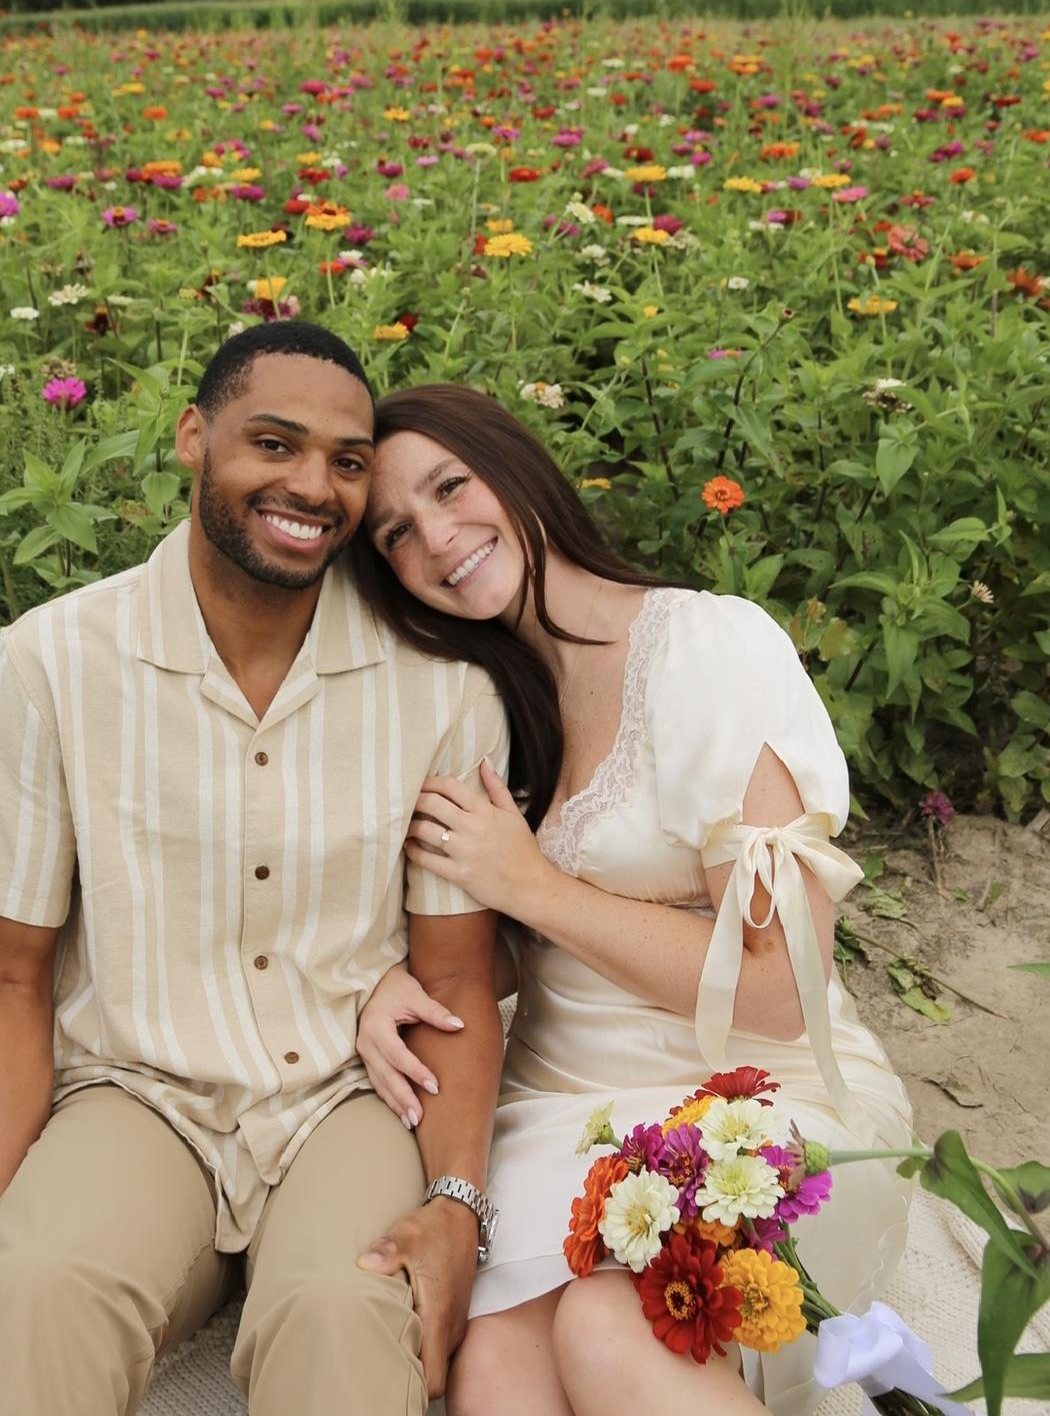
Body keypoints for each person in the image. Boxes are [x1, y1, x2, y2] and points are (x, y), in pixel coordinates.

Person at [0, 325, 513, 1416]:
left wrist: (455, 1204)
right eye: (272, 444)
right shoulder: (48, 663)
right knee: (41, 1292)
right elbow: (5, 983)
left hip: (350, 1096)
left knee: (346, 1304)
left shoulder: (438, 688)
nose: (310, 486)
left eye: (344, 460)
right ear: (195, 437)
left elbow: (460, 979)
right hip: (136, 1092)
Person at [350, 383, 914, 1416]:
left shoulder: (708, 648)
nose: (435, 538)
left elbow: (779, 990)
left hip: (748, 1097)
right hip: (557, 1111)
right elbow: (529, 946)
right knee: (494, 1372)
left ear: (515, 467)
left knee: (611, 1327)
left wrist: (530, 884)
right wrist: (397, 977)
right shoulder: (485, 705)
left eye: (450, 487)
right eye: (395, 533)